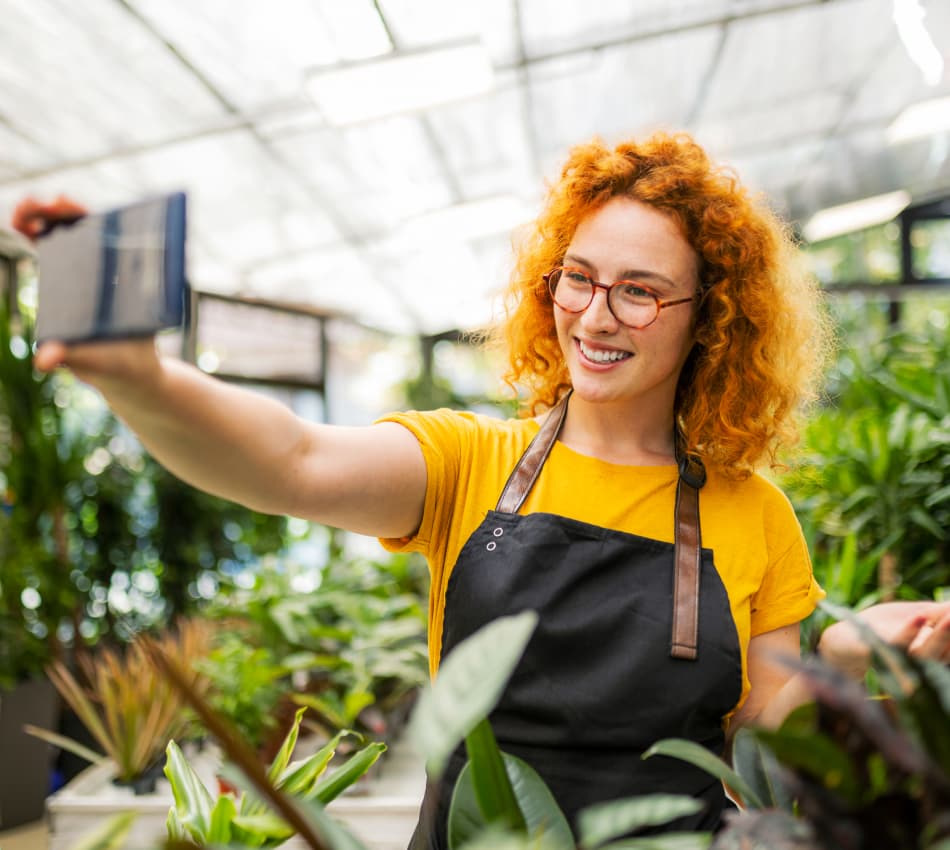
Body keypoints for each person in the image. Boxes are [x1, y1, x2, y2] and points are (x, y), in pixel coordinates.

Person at [13, 132, 950, 846]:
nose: (595, 314)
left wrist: (868, 653)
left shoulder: (754, 513)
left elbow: (763, 723)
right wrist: (139, 376)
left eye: (639, 291)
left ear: (710, 319)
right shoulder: (469, 463)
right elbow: (287, 459)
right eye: (576, 279)